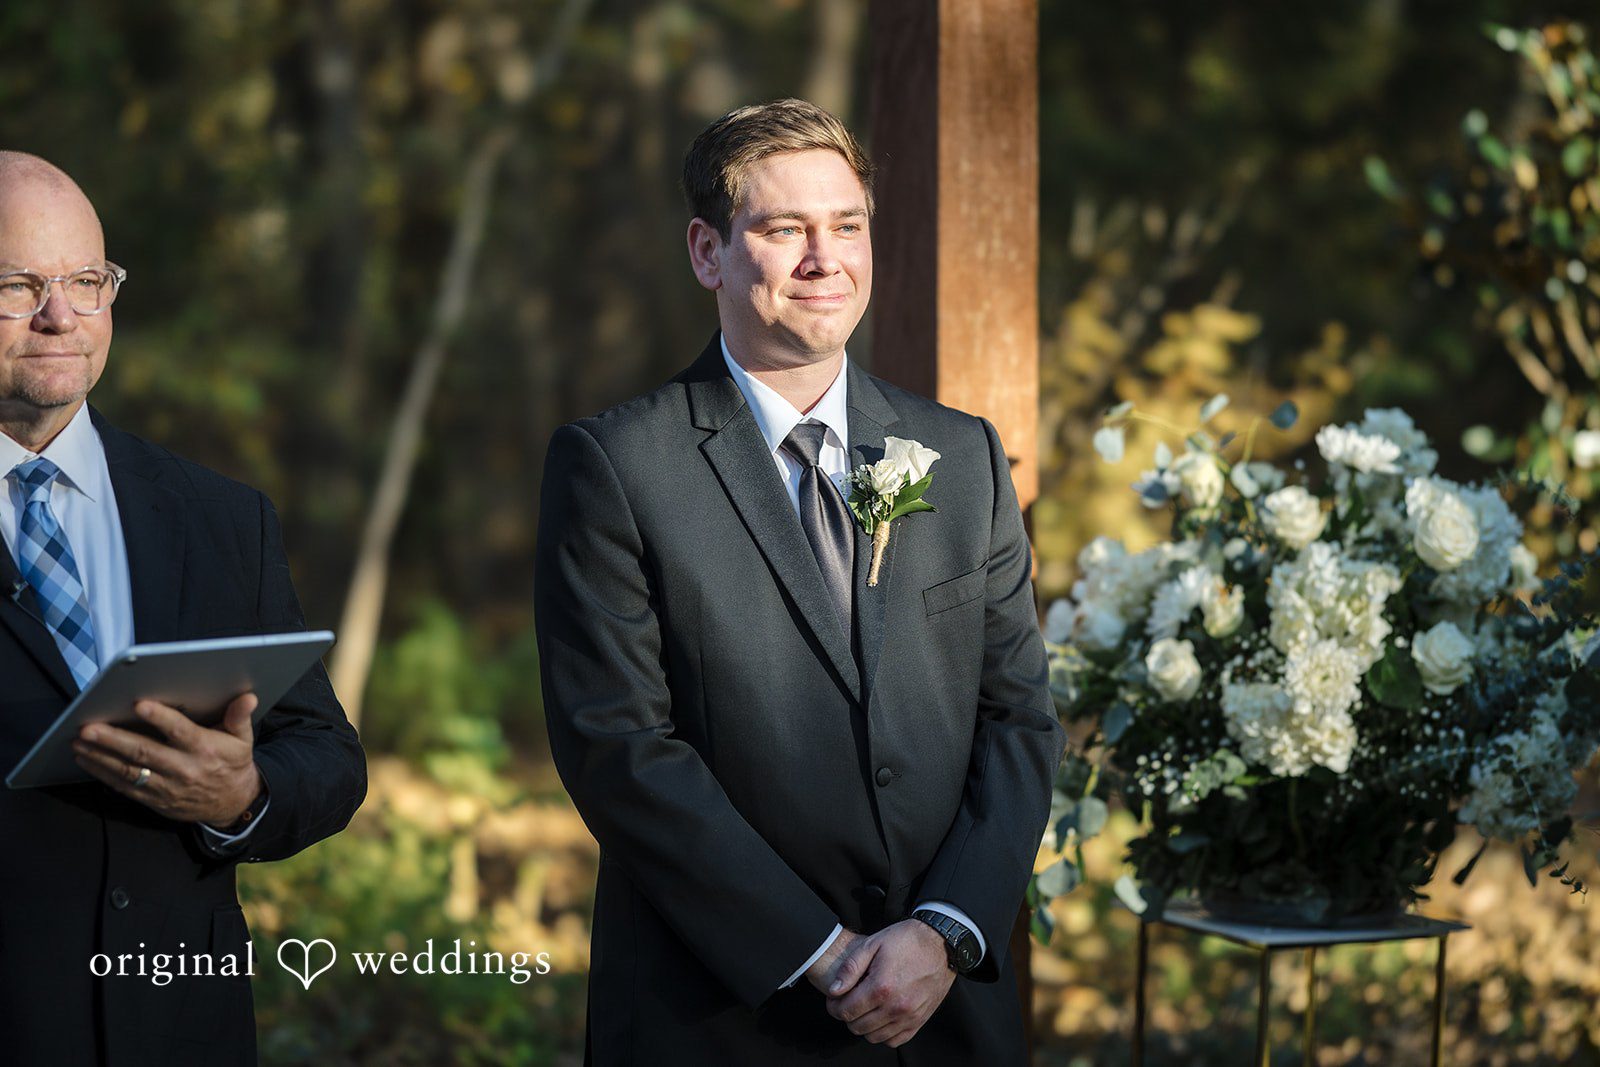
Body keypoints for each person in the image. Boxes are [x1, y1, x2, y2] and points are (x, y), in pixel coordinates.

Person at [535, 99, 1065, 1065]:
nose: (826, 259)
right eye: (785, 230)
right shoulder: (615, 466)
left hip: (944, 1012)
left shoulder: (962, 456)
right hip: (723, 1014)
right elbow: (619, 748)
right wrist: (824, 953)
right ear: (708, 252)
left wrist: (943, 930)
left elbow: (1018, 718)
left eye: (847, 225)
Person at [0, 152, 366, 1066]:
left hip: (183, 1028)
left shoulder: (222, 515)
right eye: (16, 286)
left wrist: (242, 795)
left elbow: (327, 754)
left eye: (86, 282)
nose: (60, 316)